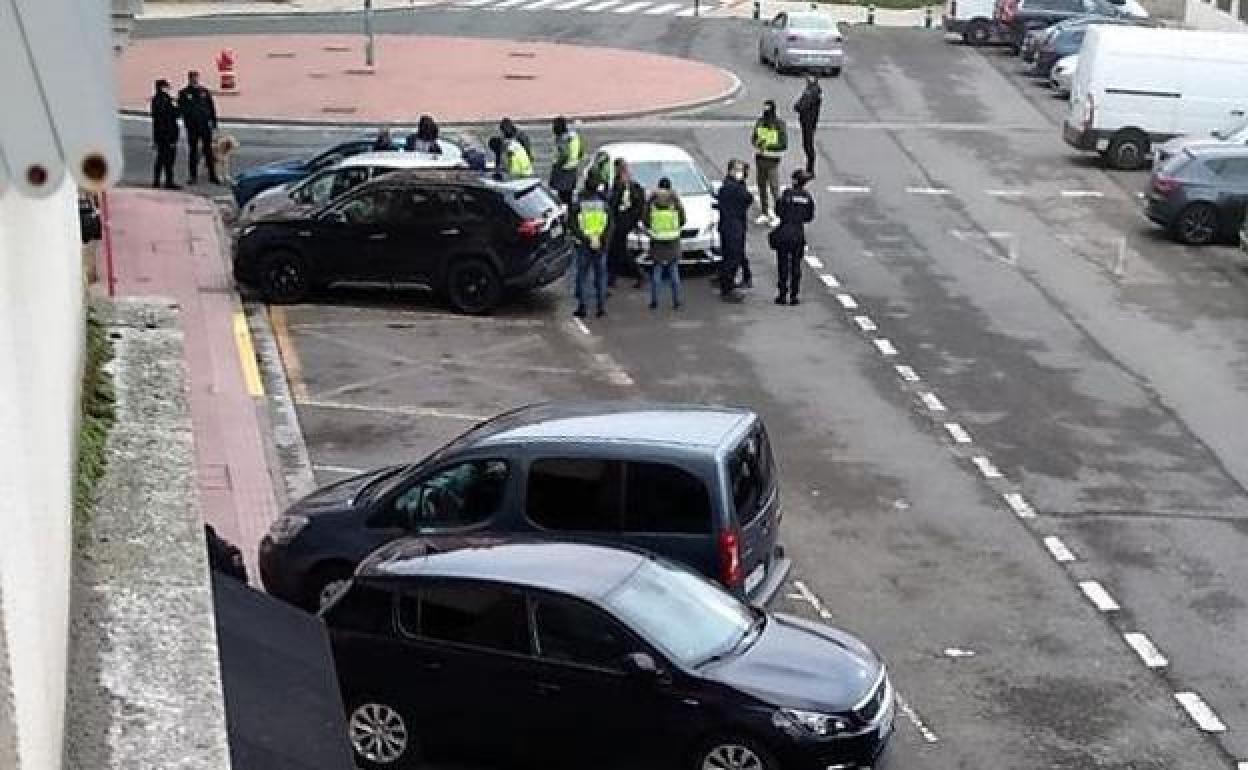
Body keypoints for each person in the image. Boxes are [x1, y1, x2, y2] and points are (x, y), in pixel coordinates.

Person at [770, 169, 816, 306]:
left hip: (784, 232)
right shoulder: (807, 197)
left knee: (782, 264)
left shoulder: (786, 194)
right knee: (796, 265)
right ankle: (794, 295)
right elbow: (809, 217)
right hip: (798, 234)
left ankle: (782, 294)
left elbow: (778, 210)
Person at [569, 175, 610, 318]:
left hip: (584, 245)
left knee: (582, 277)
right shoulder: (604, 204)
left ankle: (582, 307)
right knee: (600, 276)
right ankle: (601, 307)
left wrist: (584, 238)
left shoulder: (579, 204)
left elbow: (573, 224)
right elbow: (610, 225)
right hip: (600, 244)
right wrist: (602, 240)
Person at [645, 177, 686, 310]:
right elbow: (683, 219)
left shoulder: (652, 202)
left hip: (657, 241)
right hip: (673, 241)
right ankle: (677, 301)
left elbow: (645, 219)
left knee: (657, 272)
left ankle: (654, 301)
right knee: (674, 273)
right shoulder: (674, 201)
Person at [716, 159, 754, 301]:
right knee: (733, 257)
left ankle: (727, 283)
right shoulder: (733, 187)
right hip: (733, 226)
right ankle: (728, 288)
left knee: (730, 255)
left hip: (730, 225)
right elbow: (747, 198)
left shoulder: (728, 185)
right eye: (738, 170)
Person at [605, 157, 646, 289]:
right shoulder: (632, 184)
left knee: (619, 251)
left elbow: (614, 203)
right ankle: (613, 278)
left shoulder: (620, 184)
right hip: (626, 221)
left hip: (620, 222)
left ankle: (639, 275)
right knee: (616, 251)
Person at [177, 70, 219, 185]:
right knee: (193, 151)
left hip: (205, 125)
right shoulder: (184, 93)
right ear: (189, 79)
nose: (195, 80)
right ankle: (193, 176)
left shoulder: (204, 91)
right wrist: (187, 121)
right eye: (193, 78)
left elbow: (211, 107)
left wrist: (214, 122)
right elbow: (182, 109)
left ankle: (212, 175)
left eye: (196, 78)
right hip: (193, 127)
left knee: (208, 151)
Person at [751, 99, 787, 226]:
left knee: (774, 187)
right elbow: (753, 138)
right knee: (761, 187)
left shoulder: (779, 124)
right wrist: (757, 143)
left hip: (772, 160)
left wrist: (768, 146)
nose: (765, 110)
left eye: (768, 108)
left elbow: (783, 144)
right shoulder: (760, 122)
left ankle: (779, 214)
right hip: (760, 159)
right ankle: (765, 212)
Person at [150, 79, 180, 189]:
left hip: (160, 133)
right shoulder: (166, 100)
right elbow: (175, 114)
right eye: (166, 86)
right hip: (168, 133)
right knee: (168, 159)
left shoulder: (156, 100)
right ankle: (168, 181)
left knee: (161, 158)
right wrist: (176, 105)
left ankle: (157, 181)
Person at [549, 116, 584, 205]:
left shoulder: (565, 138)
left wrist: (558, 165)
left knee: (564, 197)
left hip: (566, 170)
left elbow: (565, 155)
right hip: (570, 168)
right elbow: (581, 151)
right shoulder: (572, 136)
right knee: (567, 196)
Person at [794, 75, 822, 176]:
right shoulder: (810, 89)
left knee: (808, 145)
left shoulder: (812, 91)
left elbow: (802, 105)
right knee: (806, 144)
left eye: (810, 78)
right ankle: (809, 168)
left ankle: (810, 170)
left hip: (809, 121)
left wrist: (798, 106)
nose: (807, 79)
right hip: (807, 120)